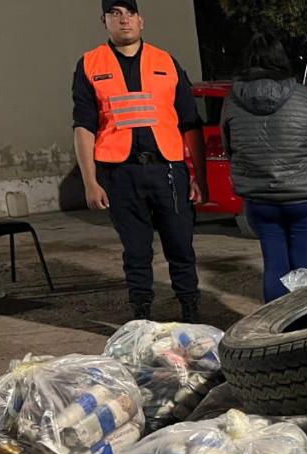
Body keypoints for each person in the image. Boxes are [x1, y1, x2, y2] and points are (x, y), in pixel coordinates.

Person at [72, 0, 207, 323]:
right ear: (104, 21)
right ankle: (141, 316)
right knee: (136, 252)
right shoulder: (90, 64)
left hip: (167, 171)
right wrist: (90, 182)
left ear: (141, 21)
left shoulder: (166, 62)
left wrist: (199, 177)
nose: (124, 20)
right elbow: (83, 127)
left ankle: (190, 311)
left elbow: (190, 124)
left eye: (129, 13)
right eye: (115, 14)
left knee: (180, 247)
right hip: (120, 173)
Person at [221, 34, 307, 303]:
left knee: (275, 265)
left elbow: (229, 148)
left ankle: (276, 334)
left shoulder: (232, 100)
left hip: (260, 199)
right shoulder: (304, 96)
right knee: (305, 266)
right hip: (305, 196)